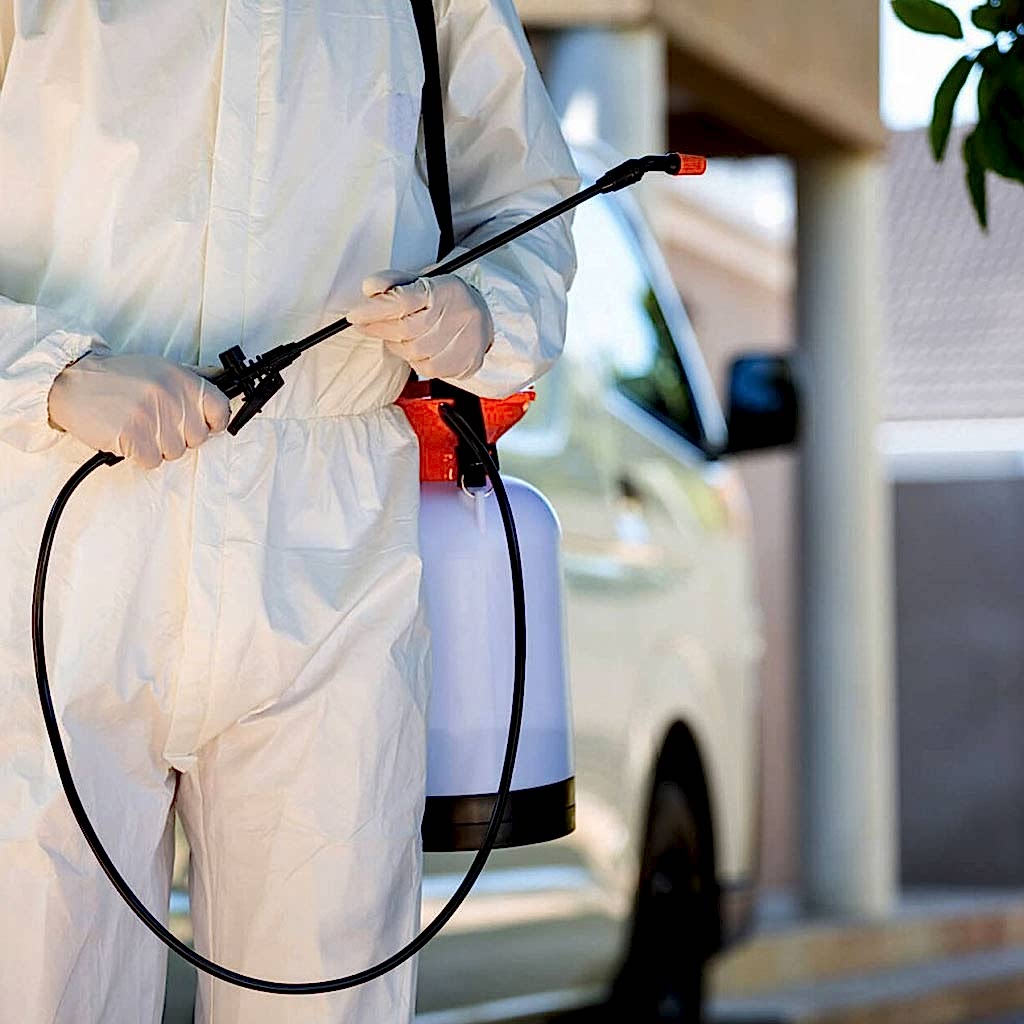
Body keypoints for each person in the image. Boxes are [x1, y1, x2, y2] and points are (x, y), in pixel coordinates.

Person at [0, 0, 578, 1020]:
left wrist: (483, 309)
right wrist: (44, 376)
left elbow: (525, 201)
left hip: (332, 549)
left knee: (328, 999)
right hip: (52, 531)